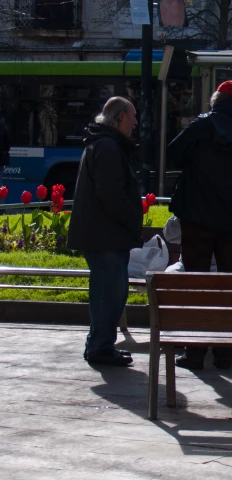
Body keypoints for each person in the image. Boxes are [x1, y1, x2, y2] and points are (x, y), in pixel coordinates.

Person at [169, 80, 232, 370]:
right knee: (229, 286)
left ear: (216, 99)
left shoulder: (200, 127)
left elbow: (173, 155)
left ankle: (194, 354)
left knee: (196, 284)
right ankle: (225, 353)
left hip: (196, 220)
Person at [68, 97, 142, 367]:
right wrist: (132, 218)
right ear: (121, 115)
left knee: (109, 291)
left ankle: (99, 344)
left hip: (103, 233)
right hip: (106, 235)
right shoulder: (109, 146)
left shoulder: (102, 143)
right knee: (108, 293)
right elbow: (110, 194)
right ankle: (100, 347)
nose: (136, 122)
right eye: (133, 116)